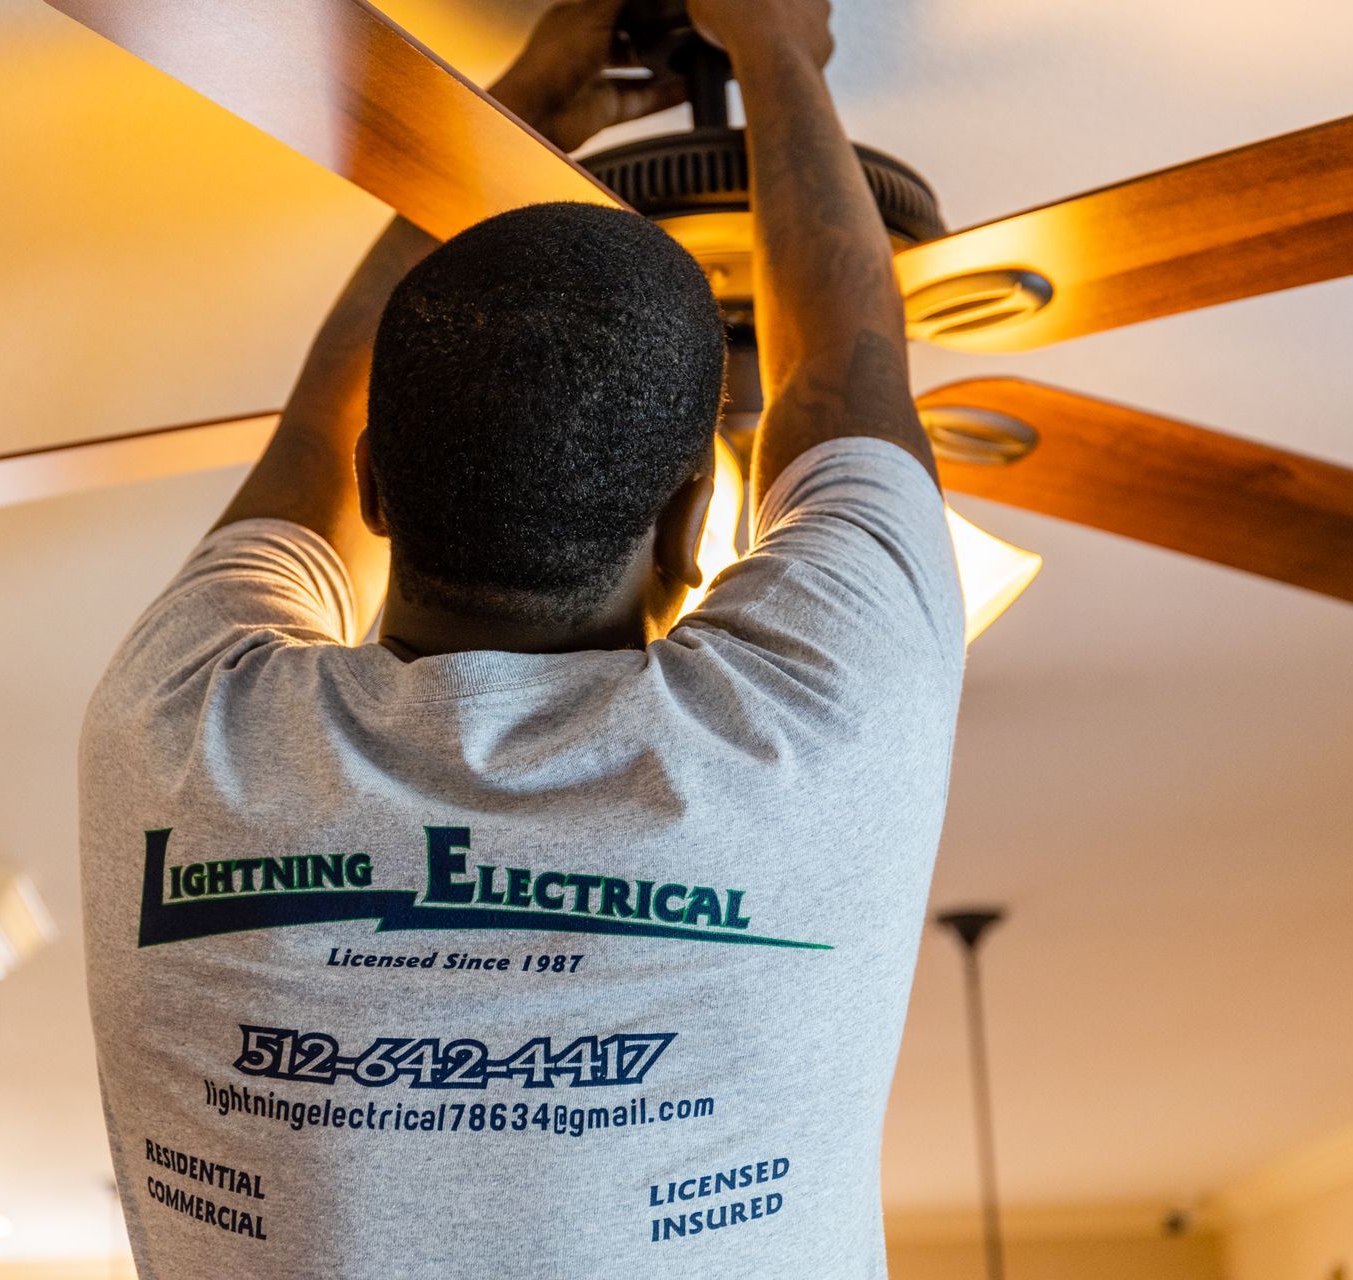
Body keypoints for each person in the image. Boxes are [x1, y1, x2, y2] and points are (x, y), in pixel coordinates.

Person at [79, 0, 963, 1274]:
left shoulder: (174, 724)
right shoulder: (806, 729)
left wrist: (522, 121)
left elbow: (308, 450)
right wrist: (776, 51)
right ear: (690, 518)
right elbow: (840, 379)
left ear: (383, 493)